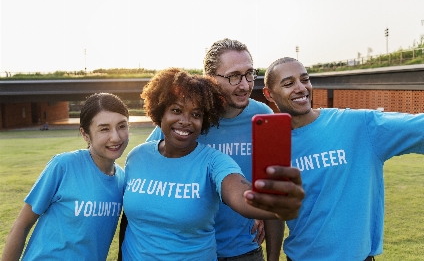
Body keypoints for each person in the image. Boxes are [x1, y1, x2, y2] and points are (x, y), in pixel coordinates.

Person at [119, 68, 304, 261]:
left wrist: (274, 202)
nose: (185, 121)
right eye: (176, 110)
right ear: (160, 112)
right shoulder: (137, 156)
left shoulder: (214, 161)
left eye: (196, 114)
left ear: (205, 120)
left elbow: (239, 194)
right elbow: (128, 220)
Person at [262, 57, 424, 261]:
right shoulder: (272, 145)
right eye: (288, 83)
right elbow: (276, 210)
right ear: (269, 93)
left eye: (305, 79)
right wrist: (272, 258)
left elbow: (418, 126)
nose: (301, 88)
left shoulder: (359, 126)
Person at [146, 38, 284, 260]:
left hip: (244, 250)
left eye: (250, 73)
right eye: (234, 76)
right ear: (210, 78)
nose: (245, 84)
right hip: (190, 250)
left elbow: (273, 194)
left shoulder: (264, 118)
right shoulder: (187, 118)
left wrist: (274, 257)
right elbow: (147, 176)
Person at [1, 93, 129, 261]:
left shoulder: (122, 180)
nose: (116, 137)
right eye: (104, 129)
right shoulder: (64, 165)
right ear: (85, 134)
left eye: (122, 126)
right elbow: (22, 224)